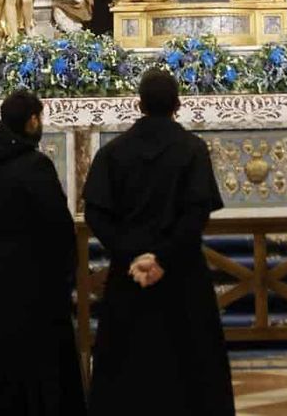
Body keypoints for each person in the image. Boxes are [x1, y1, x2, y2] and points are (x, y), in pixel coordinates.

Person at [83, 67, 235, 416]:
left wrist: (132, 255)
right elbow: (197, 213)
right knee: (191, 361)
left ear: (139, 105)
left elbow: (96, 214)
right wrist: (163, 257)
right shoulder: (192, 149)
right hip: (181, 271)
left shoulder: (114, 152)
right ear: (177, 105)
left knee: (127, 362)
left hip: (130, 274)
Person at [0, 90, 85, 416]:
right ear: (31, 122)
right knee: (38, 358)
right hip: (33, 278)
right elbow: (58, 225)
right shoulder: (34, 165)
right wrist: (67, 270)